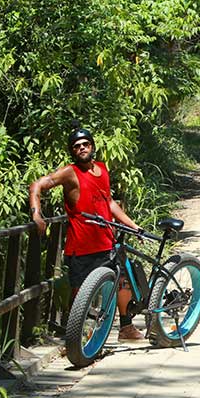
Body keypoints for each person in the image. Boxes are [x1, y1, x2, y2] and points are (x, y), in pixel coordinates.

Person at [28, 126, 145, 342]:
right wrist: (37, 214)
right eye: (77, 146)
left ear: (92, 146)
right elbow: (37, 185)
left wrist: (133, 225)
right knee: (79, 293)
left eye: (85, 144)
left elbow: (109, 203)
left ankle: (126, 327)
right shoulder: (70, 172)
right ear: (72, 151)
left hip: (106, 241)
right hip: (81, 246)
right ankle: (74, 338)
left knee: (122, 283)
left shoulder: (102, 169)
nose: (82, 148)